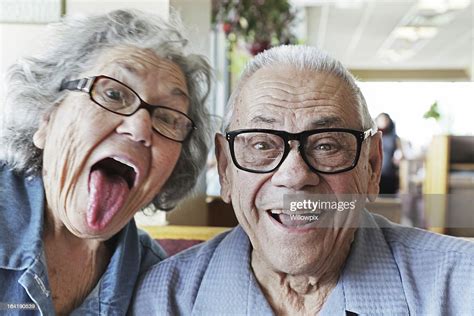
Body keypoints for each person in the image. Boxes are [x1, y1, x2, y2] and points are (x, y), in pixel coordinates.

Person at [132, 45, 474, 315]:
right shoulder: (162, 300)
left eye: (326, 145)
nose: (294, 175)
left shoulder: (461, 284)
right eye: (262, 144)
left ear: (371, 167)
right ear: (225, 170)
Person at [0, 9, 211, 315]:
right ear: (45, 119)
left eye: (167, 118)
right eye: (113, 93)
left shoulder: (156, 284)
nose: (140, 129)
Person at [376, 112, 402, 194]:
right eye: (381, 119)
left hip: (389, 172)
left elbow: (399, 151)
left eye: (385, 119)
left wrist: (398, 156)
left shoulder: (395, 137)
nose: (383, 121)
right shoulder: (373, 135)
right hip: (375, 172)